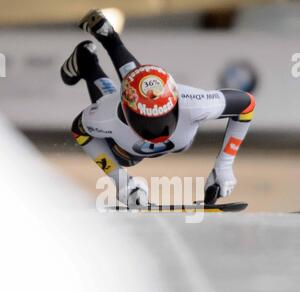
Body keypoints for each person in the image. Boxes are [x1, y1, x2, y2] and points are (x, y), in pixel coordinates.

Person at [61, 9, 255, 208]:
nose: (156, 129)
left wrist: (224, 165)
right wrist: (121, 181)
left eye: (162, 117)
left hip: (130, 128)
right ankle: (87, 61)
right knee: (125, 157)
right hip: (127, 135)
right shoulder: (106, 115)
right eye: (145, 120)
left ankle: (107, 39)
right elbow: (79, 130)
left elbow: (246, 105)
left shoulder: (195, 103)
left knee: (136, 87)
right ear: (125, 111)